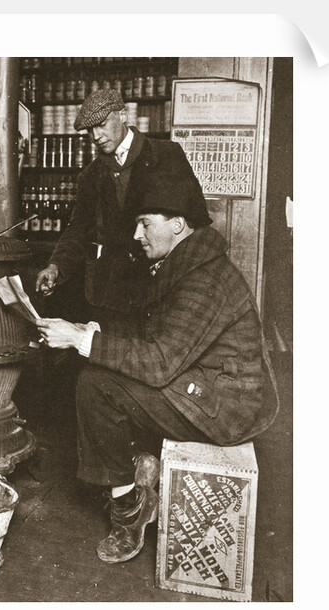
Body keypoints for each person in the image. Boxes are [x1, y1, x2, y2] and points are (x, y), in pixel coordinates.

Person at [35, 173, 279, 564]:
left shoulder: (205, 278)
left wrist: (82, 342)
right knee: (96, 371)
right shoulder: (188, 261)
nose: (136, 234)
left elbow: (160, 361)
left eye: (145, 223)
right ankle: (137, 472)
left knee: (96, 385)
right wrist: (90, 330)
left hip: (226, 407)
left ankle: (130, 510)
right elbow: (150, 332)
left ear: (178, 224)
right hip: (206, 385)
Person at [34, 88, 212, 321]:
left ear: (123, 115)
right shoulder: (90, 176)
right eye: (90, 130)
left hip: (161, 286)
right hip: (110, 293)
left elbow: (197, 219)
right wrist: (56, 266)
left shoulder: (167, 154)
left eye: (102, 124)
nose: (96, 136)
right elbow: (77, 230)